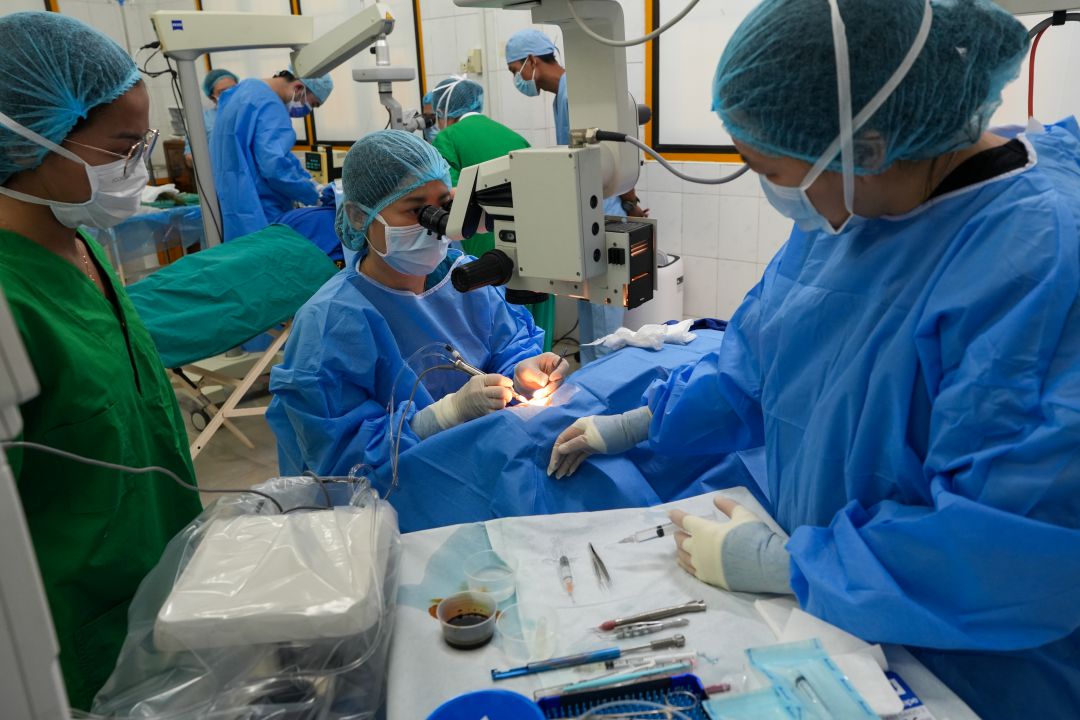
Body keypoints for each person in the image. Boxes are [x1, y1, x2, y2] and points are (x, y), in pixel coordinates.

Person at [546, 1, 1080, 718]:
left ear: (868, 145)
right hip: (838, 621)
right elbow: (762, 363)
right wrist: (639, 423)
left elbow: (1015, 549)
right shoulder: (854, 211)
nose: (780, 196)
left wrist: (791, 566)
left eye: (776, 170)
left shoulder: (1041, 261)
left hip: (977, 671)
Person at [0, 12, 203, 710]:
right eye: (123, 145)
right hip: (75, 650)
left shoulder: (80, 242)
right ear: (32, 135)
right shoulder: (9, 301)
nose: (138, 165)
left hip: (161, 597)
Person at [267, 130, 568, 477]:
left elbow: (507, 343)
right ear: (358, 216)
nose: (436, 225)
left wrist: (524, 368)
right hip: (397, 492)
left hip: (484, 459)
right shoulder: (332, 322)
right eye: (416, 210)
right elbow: (339, 457)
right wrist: (443, 415)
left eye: (444, 206)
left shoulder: (464, 276)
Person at [505, 29, 647, 363]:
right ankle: (592, 377)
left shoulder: (576, 94)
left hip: (602, 213)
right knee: (591, 304)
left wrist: (631, 203)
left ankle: (602, 385)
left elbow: (611, 158)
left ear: (532, 60)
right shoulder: (566, 95)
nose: (518, 78)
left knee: (602, 310)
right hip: (590, 212)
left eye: (516, 70)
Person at [428, 77, 556, 352]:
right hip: (544, 242)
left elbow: (446, 198)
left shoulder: (447, 138)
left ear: (445, 109)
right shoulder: (512, 134)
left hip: (493, 247)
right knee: (537, 323)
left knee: (504, 332)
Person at [210, 67, 333, 240]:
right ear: (299, 88)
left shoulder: (242, 92)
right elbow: (275, 166)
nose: (307, 111)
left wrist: (308, 180)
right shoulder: (270, 106)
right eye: (312, 104)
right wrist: (312, 194)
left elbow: (275, 154)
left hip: (234, 203)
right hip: (260, 209)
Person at [183, 67, 238, 166]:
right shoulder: (203, 120)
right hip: (217, 176)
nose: (230, 94)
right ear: (211, 96)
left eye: (234, 89)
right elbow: (189, 157)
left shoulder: (250, 114)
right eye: (222, 92)